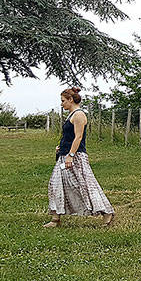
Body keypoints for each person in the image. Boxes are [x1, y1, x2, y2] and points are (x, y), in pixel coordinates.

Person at [45, 87, 114, 227]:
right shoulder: (71, 115)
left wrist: (70, 155)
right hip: (64, 155)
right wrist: (61, 147)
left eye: (63, 101)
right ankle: (55, 219)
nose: (61, 104)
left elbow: (79, 137)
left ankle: (107, 212)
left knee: (86, 185)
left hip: (76, 157)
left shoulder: (79, 115)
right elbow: (69, 137)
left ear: (71, 100)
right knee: (55, 184)